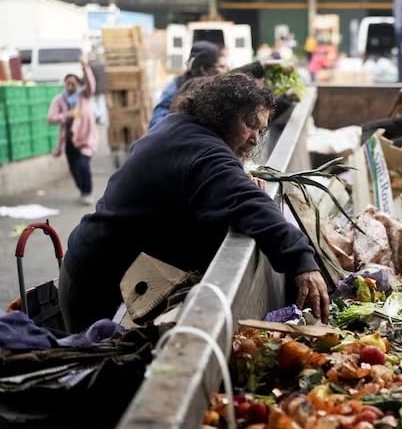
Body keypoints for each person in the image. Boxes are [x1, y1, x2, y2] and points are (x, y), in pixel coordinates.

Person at [59, 72, 329, 333]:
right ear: (222, 114)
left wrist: (238, 176)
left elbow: (220, 184)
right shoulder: (202, 151)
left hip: (95, 267)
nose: (255, 138)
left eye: (261, 129)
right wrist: (302, 260)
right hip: (97, 286)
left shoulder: (180, 127)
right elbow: (249, 203)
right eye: (249, 123)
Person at [48, 57, 98, 206]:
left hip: (86, 138)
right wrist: (66, 115)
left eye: (73, 83)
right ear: (65, 84)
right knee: (74, 169)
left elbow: (91, 85)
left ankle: (88, 192)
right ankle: (82, 189)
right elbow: (51, 118)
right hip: (69, 140)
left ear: (78, 84)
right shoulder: (59, 100)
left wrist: (85, 68)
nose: (70, 85)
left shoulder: (84, 96)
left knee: (83, 165)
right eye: (68, 83)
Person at [148, 41, 223, 129]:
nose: (221, 71)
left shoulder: (216, 87)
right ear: (204, 70)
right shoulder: (176, 86)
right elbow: (157, 122)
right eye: (219, 66)